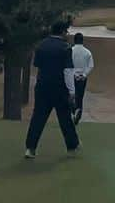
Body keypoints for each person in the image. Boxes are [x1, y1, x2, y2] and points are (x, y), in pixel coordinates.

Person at [24, 19, 80, 159]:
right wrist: (72, 92)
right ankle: (72, 147)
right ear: (61, 32)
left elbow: (37, 66)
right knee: (65, 118)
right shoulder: (66, 47)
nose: (66, 34)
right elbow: (68, 71)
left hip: (42, 87)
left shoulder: (41, 45)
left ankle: (30, 148)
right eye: (65, 32)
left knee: (38, 118)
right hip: (60, 88)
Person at [70, 31, 94, 125]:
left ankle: (72, 112)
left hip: (72, 77)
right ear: (82, 41)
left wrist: (73, 74)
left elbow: (68, 65)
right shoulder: (87, 52)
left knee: (71, 95)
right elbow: (91, 66)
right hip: (82, 78)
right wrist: (84, 75)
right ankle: (78, 115)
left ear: (74, 40)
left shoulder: (70, 50)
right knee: (80, 97)